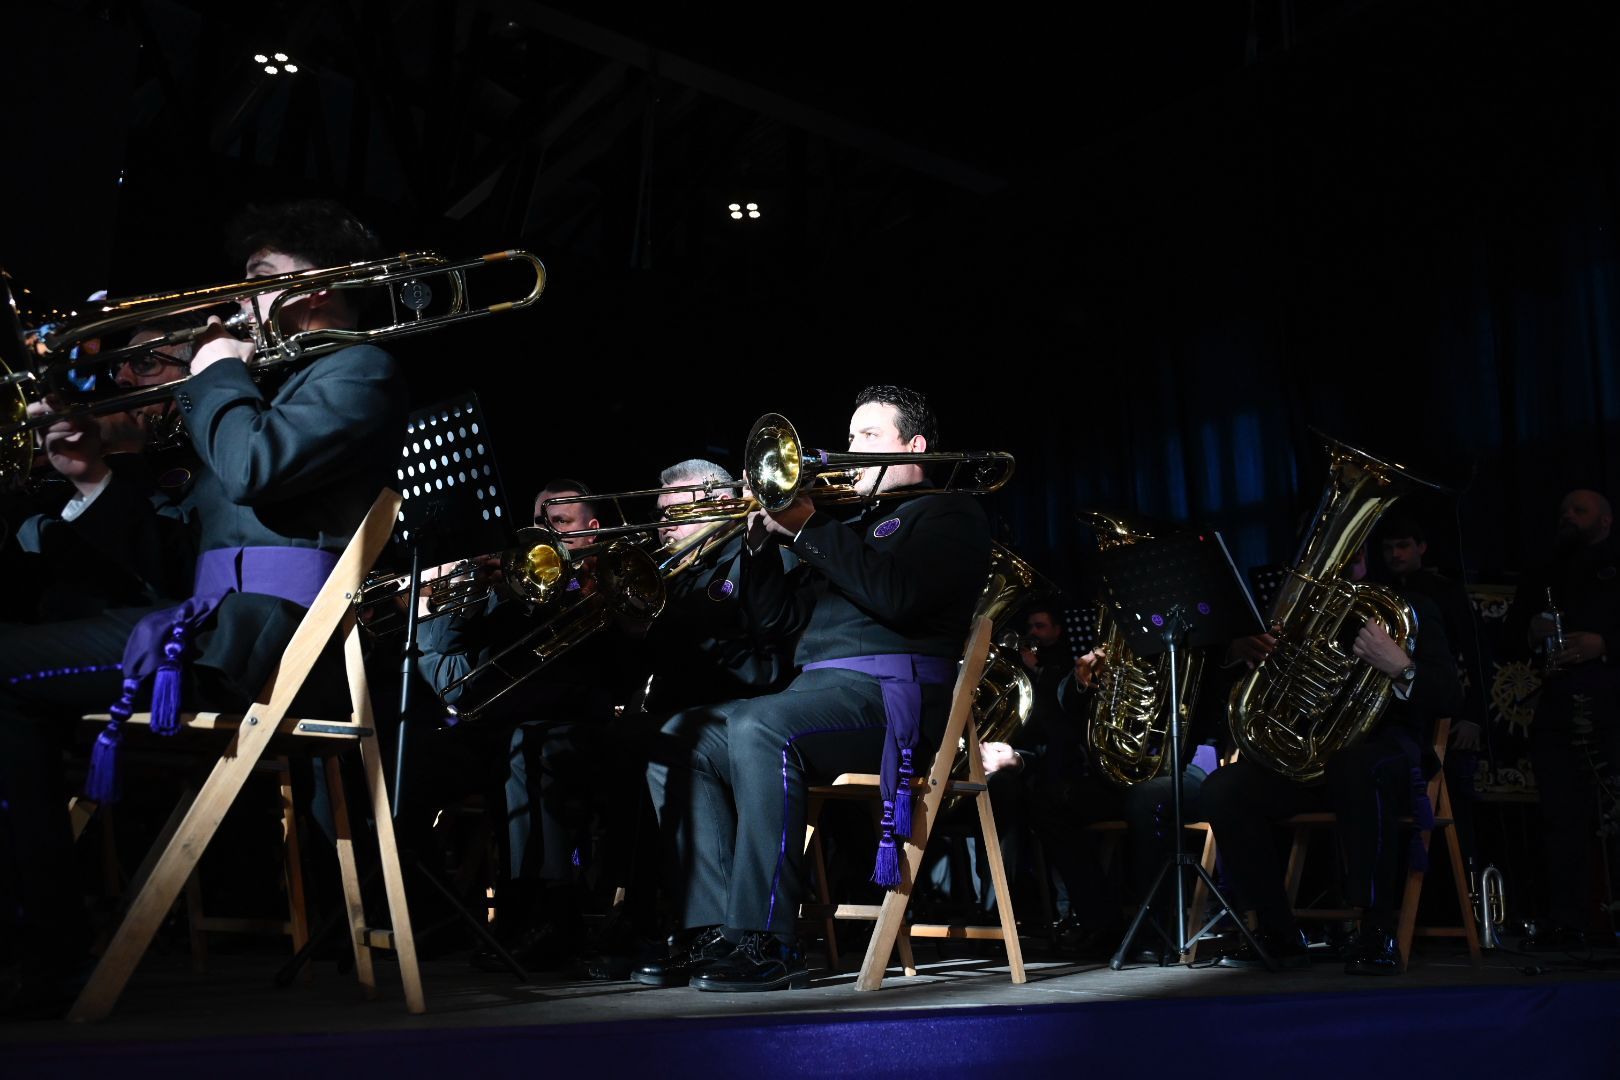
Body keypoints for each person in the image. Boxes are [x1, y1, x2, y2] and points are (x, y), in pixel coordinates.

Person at [0, 198, 409, 1017]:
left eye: (257, 280)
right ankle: (42, 949)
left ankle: (44, 951)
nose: (234, 302)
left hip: (272, 644)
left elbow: (254, 468)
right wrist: (91, 478)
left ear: (322, 289)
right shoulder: (259, 388)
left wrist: (213, 369)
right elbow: (170, 564)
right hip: (207, 620)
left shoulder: (357, 370)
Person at [638, 385, 991, 992]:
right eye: (851, 436)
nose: (851, 450)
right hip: (820, 693)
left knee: (759, 726)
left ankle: (768, 941)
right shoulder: (847, 524)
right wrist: (756, 543)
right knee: (679, 738)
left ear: (916, 447)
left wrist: (808, 526)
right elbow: (777, 622)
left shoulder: (950, 513)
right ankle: (715, 928)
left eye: (870, 437)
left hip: (890, 696)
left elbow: (898, 598)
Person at [1201, 560, 1461, 975]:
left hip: (1384, 751)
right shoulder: (1288, 617)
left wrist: (1399, 665)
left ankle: (1377, 931)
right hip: (1307, 757)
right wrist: (1238, 655)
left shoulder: (1409, 607)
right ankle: (1278, 933)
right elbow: (1225, 708)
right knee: (1224, 788)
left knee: (1356, 766)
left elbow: (1449, 695)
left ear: (1362, 555)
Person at [1501, 488, 1620, 950]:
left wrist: (1605, 645)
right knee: (1560, 816)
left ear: (1606, 520)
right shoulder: (1544, 568)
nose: (1569, 516)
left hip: (1610, 702)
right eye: (1563, 510)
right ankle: (1567, 919)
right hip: (1556, 703)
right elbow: (1509, 636)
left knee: (1612, 810)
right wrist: (1531, 630)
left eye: (1580, 510)